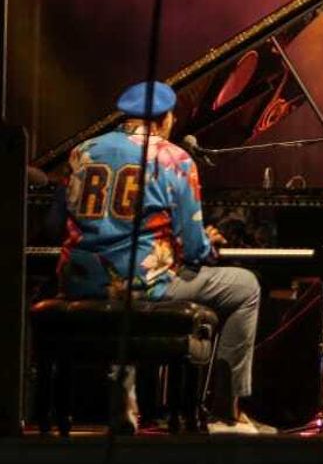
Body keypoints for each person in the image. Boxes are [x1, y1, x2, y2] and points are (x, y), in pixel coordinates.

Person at [59, 81, 265, 434]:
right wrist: (206, 241)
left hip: (80, 279)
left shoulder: (83, 151)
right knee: (246, 286)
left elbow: (60, 219)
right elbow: (196, 249)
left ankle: (121, 401)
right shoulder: (174, 158)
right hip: (142, 284)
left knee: (124, 280)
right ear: (165, 119)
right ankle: (226, 412)